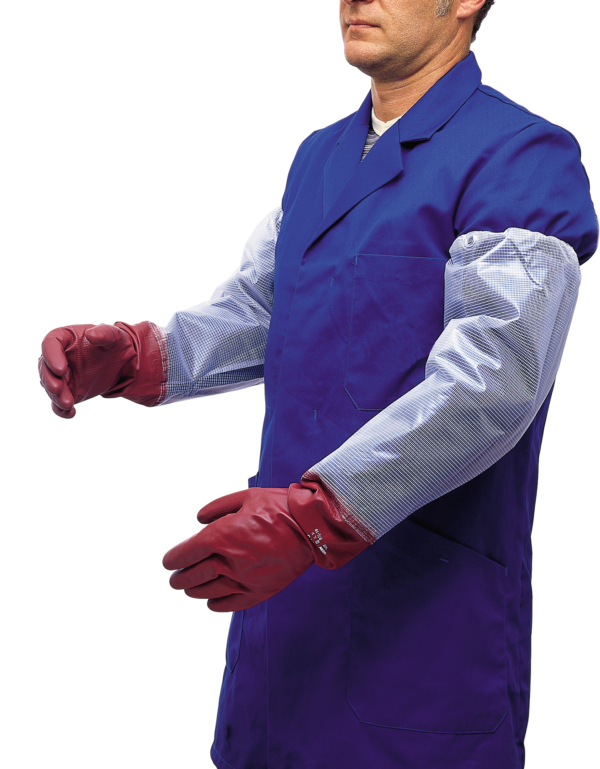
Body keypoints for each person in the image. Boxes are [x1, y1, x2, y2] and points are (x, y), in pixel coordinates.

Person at [38, 1, 597, 767]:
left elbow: (496, 379)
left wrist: (319, 515)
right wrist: (143, 354)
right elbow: (264, 308)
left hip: (423, 630)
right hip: (281, 616)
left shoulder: (520, 157)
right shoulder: (320, 158)